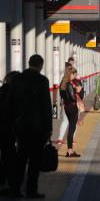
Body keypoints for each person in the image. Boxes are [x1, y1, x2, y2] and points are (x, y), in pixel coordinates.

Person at [10, 55, 52, 199]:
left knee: (20, 158)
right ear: (41, 65)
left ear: (29, 63)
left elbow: (12, 103)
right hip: (37, 128)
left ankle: (15, 189)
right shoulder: (42, 81)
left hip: (20, 126)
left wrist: (13, 123)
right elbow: (46, 106)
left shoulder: (17, 79)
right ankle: (31, 191)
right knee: (34, 161)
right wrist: (49, 128)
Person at [0, 71, 20, 196]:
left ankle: (3, 183)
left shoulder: (1, 91)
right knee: (10, 157)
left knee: (4, 156)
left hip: (2, 129)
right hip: (10, 130)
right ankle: (11, 186)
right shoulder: (15, 94)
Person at [59, 67, 80, 158]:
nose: (74, 76)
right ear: (70, 74)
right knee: (72, 128)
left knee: (71, 128)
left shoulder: (62, 83)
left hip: (67, 107)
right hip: (72, 107)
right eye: (73, 74)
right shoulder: (69, 85)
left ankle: (70, 150)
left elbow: (63, 95)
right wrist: (77, 91)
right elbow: (72, 97)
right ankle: (70, 151)